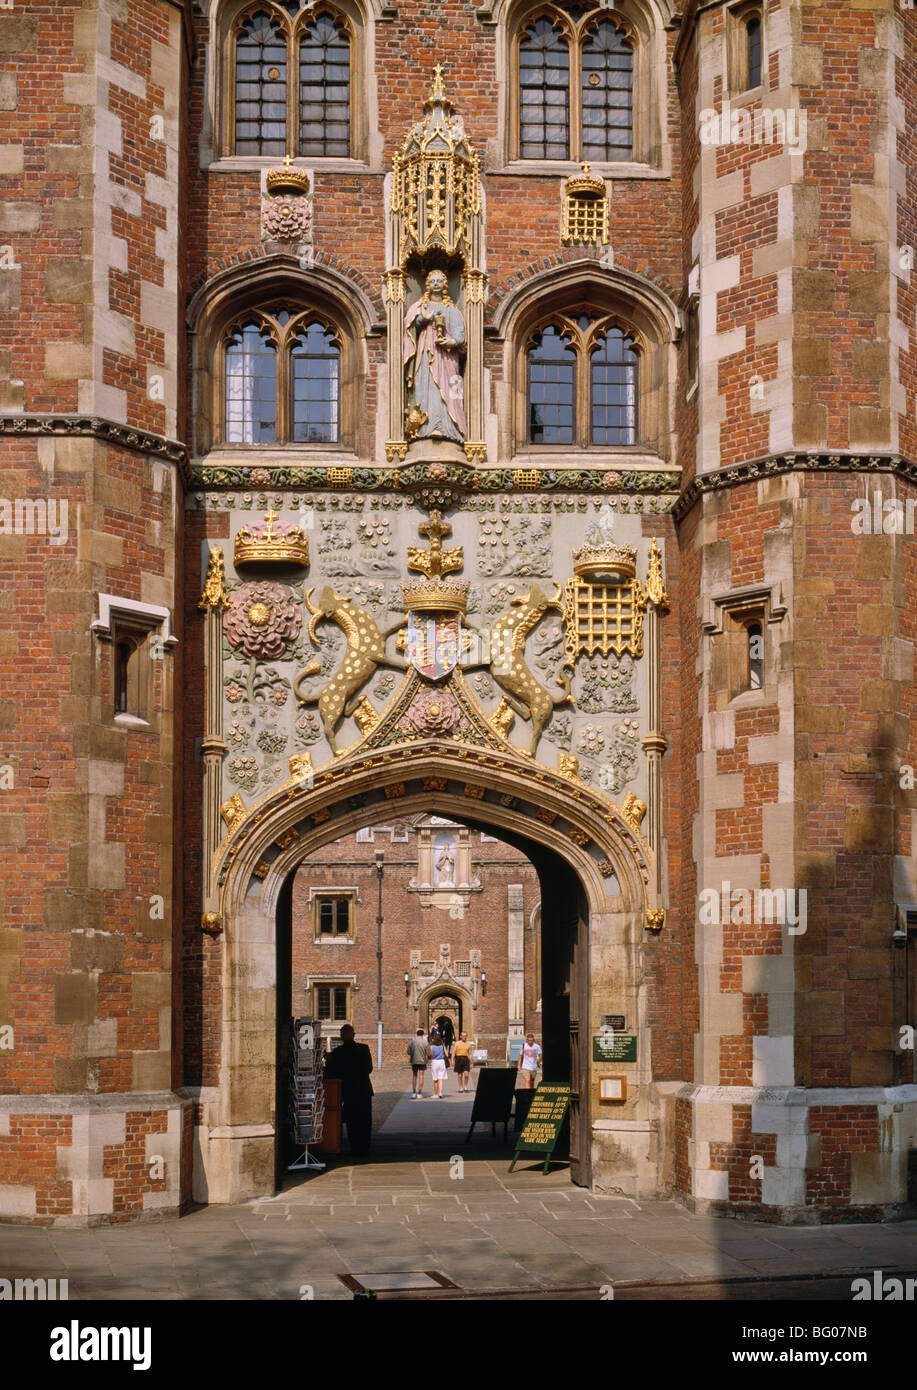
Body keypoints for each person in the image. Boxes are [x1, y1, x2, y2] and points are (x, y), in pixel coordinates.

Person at [403, 269, 467, 443]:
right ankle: (424, 427)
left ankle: (452, 428)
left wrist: (451, 342)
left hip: (448, 356)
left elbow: (461, 335)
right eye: (433, 281)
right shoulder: (419, 306)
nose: (436, 284)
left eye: (440, 281)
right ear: (427, 285)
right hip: (425, 352)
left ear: (445, 285)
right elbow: (409, 329)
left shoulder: (452, 310)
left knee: (453, 387)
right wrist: (422, 320)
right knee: (426, 386)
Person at [323, 1024, 373, 1156]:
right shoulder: (364, 1049)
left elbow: (331, 1072)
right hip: (363, 1090)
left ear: (341, 1037)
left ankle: (355, 1147)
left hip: (348, 1090)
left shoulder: (337, 1053)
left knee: (352, 1121)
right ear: (354, 1035)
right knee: (365, 1120)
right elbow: (369, 1069)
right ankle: (364, 1147)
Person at [407, 1028, 432, 1098]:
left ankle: (414, 1092)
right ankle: (419, 1093)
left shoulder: (412, 1042)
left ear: (417, 1034)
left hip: (414, 1061)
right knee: (421, 1076)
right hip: (422, 1061)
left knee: (414, 1076)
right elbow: (429, 1053)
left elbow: (408, 1052)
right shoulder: (425, 1042)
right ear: (422, 1034)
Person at [429, 1028, 448, 1099]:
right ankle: (440, 1093)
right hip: (442, 1062)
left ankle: (436, 1094)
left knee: (435, 1079)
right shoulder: (442, 1046)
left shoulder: (432, 1046)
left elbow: (431, 1055)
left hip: (435, 1062)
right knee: (440, 1079)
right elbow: (447, 1055)